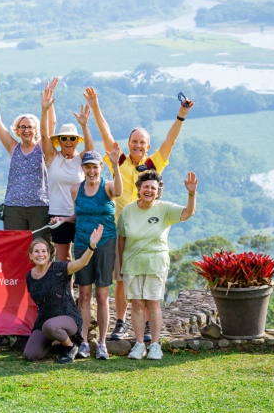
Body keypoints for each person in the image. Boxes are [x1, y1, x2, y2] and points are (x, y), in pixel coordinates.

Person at [87, 86, 194, 341]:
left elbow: (171, 140)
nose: (137, 145)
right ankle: (122, 322)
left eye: (142, 142)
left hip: (148, 230)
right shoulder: (120, 160)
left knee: (147, 280)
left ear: (147, 145)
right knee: (123, 279)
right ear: (128, 144)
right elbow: (105, 132)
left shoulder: (154, 164)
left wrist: (181, 114)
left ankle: (147, 325)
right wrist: (95, 106)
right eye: (134, 141)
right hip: (120, 229)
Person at [119, 170, 198, 360]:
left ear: (158, 191)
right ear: (139, 189)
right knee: (137, 304)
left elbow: (188, 213)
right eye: (145, 186)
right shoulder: (128, 210)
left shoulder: (164, 209)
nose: (149, 190)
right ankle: (139, 345)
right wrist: (120, 265)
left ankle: (155, 345)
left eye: (153, 188)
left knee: (153, 304)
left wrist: (191, 193)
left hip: (156, 263)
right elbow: (121, 239)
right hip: (132, 264)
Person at [68, 148, 122, 360]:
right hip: (82, 243)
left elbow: (119, 191)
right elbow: (78, 213)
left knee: (102, 295)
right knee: (83, 295)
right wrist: (64, 220)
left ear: (101, 168)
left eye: (95, 167)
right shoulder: (75, 189)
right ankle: (83, 342)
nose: (91, 171)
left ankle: (101, 343)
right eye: (87, 167)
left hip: (105, 243)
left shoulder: (107, 187)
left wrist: (116, 164)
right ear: (83, 169)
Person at [23, 225, 103, 364]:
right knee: (30, 355)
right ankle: (57, 343)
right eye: (36, 251)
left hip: (67, 317)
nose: (40, 254)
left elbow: (82, 262)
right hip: (44, 320)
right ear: (31, 255)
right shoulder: (30, 276)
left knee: (50, 326)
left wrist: (91, 246)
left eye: (43, 251)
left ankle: (70, 345)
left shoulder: (59, 268)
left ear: (48, 254)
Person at [39, 78, 94, 262]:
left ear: (77, 141)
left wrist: (85, 126)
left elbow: (91, 149)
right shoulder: (53, 158)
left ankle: (81, 291)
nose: (68, 142)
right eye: (64, 139)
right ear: (59, 141)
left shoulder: (81, 160)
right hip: (57, 215)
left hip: (79, 215)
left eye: (72, 138)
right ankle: (65, 291)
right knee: (63, 258)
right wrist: (45, 110)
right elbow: (44, 135)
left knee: (82, 257)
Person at [0, 73, 49, 231]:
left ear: (35, 129)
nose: (26, 130)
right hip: (14, 206)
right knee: (15, 248)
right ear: (18, 130)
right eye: (23, 127)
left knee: (41, 246)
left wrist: (46, 108)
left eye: (30, 127)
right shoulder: (13, 147)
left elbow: (48, 128)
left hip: (39, 206)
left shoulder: (42, 147)